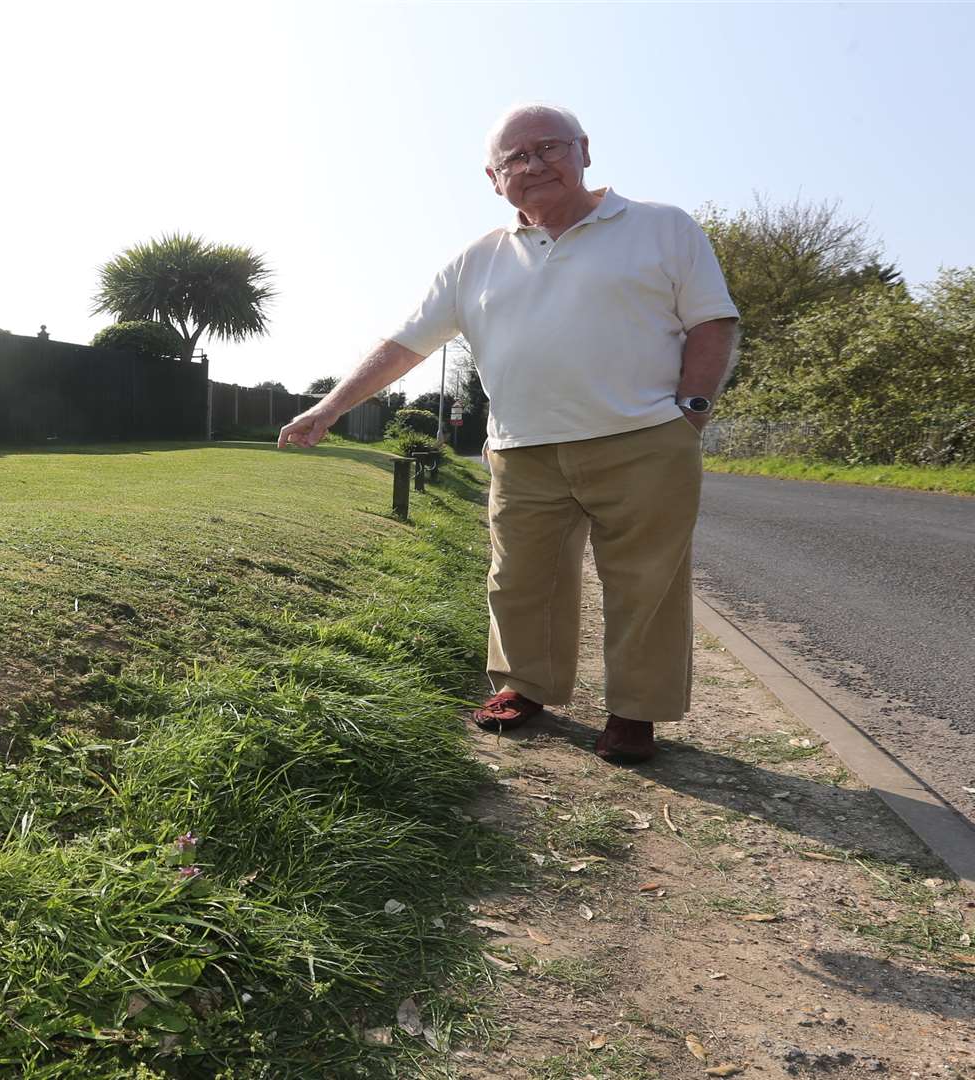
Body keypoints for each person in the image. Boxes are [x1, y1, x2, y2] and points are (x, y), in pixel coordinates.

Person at [277, 103, 740, 765]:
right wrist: (329, 408)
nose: (532, 166)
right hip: (523, 449)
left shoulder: (661, 227)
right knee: (520, 581)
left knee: (645, 585)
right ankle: (525, 688)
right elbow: (403, 346)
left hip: (643, 440)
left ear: (583, 150)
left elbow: (711, 323)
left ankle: (634, 713)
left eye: (546, 148)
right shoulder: (476, 261)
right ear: (494, 180)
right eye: (513, 160)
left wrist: (689, 411)